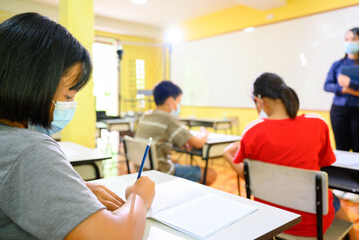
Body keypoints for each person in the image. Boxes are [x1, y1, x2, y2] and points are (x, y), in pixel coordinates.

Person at [0, 12, 155, 240]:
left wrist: (71, 191)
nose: (71, 105)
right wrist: (139, 198)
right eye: (68, 95)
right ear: (34, 87)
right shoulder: (29, 150)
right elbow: (117, 237)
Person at [224, 72, 356, 238]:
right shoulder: (317, 124)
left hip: (270, 219)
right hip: (311, 224)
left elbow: (249, 177)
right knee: (332, 199)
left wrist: (227, 155)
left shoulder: (252, 132)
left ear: (258, 101)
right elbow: (323, 166)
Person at [135, 80, 217, 185]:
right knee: (210, 174)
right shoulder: (169, 119)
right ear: (170, 101)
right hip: (160, 173)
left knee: (177, 162)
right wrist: (204, 132)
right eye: (178, 102)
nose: (178, 106)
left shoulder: (145, 116)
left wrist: (182, 140)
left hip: (142, 171)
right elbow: (198, 143)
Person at [324, 27, 359, 152]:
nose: (350, 42)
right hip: (338, 110)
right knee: (341, 148)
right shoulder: (337, 64)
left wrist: (351, 83)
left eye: (354, 39)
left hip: (357, 110)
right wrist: (342, 89)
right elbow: (327, 85)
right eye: (347, 39)